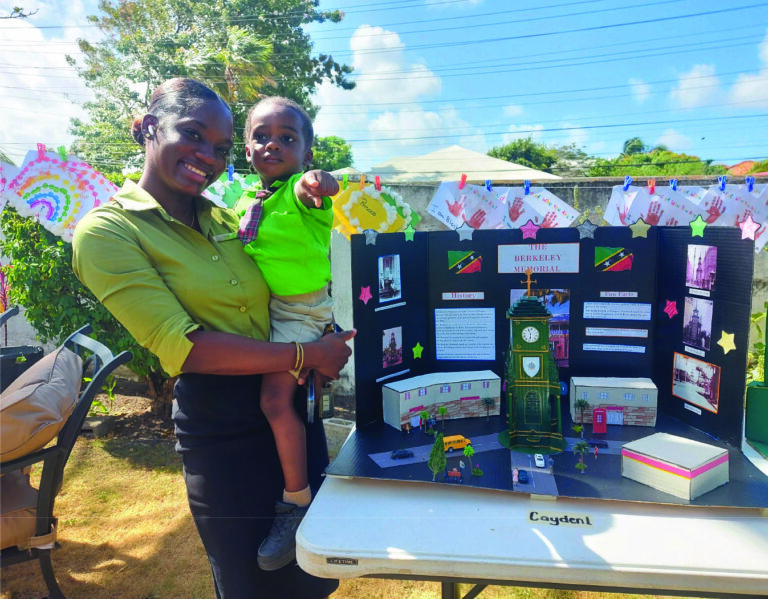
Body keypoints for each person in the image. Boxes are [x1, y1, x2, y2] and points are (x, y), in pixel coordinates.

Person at [72, 78, 354, 598]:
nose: (208, 156)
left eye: (221, 148)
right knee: (250, 577)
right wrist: (306, 352)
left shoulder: (228, 214)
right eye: (194, 135)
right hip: (223, 427)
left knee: (312, 574)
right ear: (151, 128)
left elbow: (290, 277)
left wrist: (323, 341)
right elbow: (185, 346)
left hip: (289, 402)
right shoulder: (109, 232)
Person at [234, 96, 340, 570]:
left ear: (306, 153)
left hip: (299, 310)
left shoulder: (301, 192)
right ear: (246, 146)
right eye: (261, 135)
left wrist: (320, 182)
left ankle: (296, 501)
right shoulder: (245, 199)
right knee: (290, 402)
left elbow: (317, 190)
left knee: (275, 402)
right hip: (271, 310)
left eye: (287, 138)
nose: (272, 144)